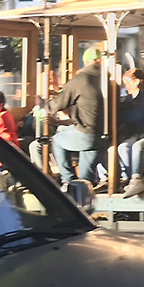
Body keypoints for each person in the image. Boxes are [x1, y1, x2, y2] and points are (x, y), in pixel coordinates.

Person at [47, 46, 105, 188]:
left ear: (86, 62)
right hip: (104, 135)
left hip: (86, 133)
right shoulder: (108, 78)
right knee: (86, 179)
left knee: (57, 140)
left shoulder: (81, 79)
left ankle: (69, 180)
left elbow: (59, 103)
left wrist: (44, 105)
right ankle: (82, 190)